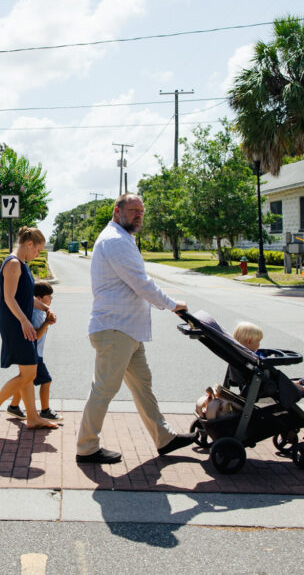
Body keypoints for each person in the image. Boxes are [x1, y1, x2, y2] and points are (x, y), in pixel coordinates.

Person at [76, 193, 196, 464]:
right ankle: (86, 446)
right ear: (116, 211)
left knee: (142, 384)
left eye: (141, 211)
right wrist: (172, 304)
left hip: (128, 330)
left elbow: (139, 282)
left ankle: (163, 438)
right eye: (133, 210)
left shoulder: (122, 238)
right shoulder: (115, 241)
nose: (139, 215)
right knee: (104, 389)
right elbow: (141, 283)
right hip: (116, 329)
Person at [0, 227, 60, 434]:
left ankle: (32, 417)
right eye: (38, 250)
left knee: (27, 373)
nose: (38, 254)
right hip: (15, 325)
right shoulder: (13, 263)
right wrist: (24, 321)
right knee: (29, 373)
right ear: (29, 244)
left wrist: (45, 308)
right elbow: (9, 298)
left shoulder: (23, 264)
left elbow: (26, 298)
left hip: (20, 323)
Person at [6, 281, 61, 422]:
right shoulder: (36, 313)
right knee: (46, 380)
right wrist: (47, 323)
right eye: (49, 296)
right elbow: (35, 336)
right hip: (33, 353)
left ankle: (13, 406)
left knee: (25, 380)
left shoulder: (39, 311)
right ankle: (45, 411)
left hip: (33, 352)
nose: (51, 299)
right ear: (39, 298)